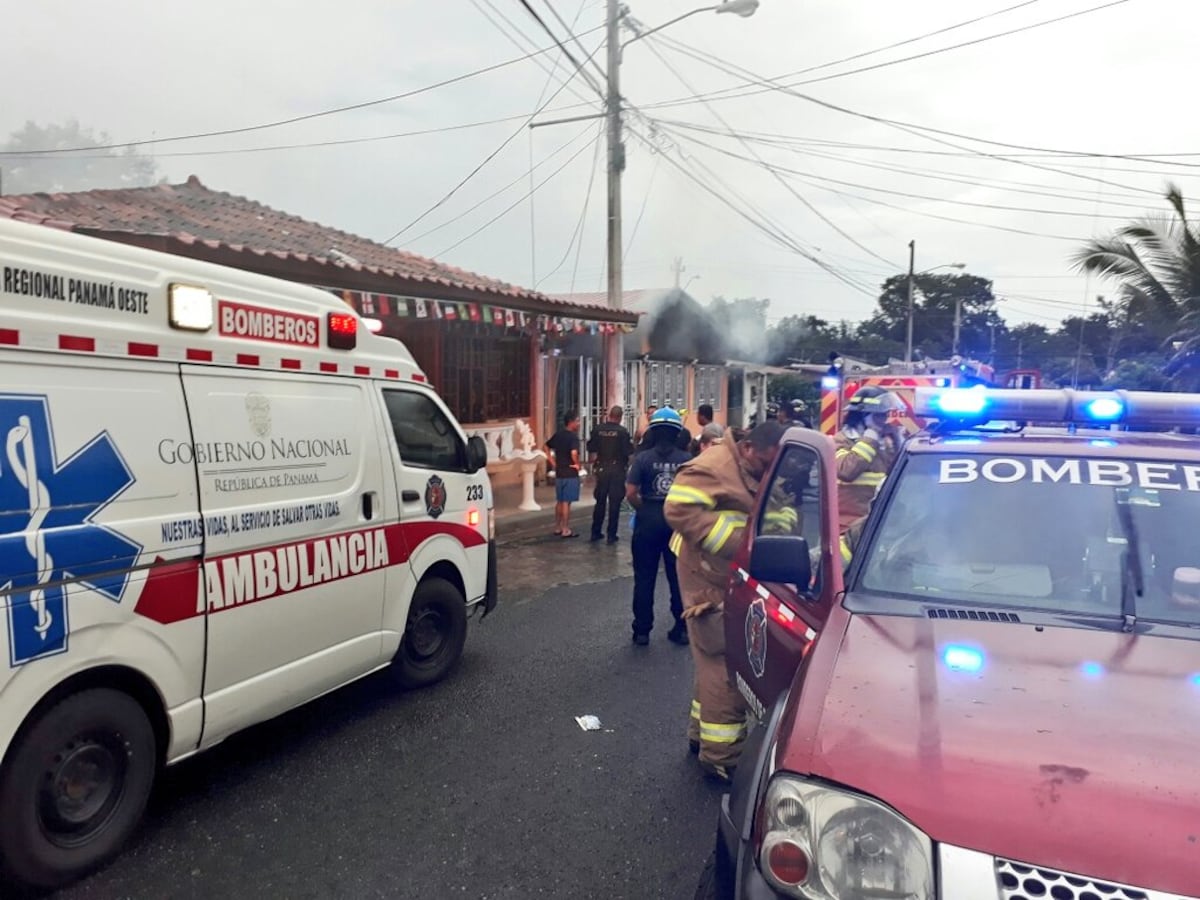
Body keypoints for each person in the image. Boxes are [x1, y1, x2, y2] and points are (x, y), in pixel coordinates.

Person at [665, 420, 787, 783]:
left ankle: (699, 735)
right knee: (725, 662)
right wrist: (741, 547)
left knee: (710, 659)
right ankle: (722, 756)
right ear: (748, 447)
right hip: (705, 575)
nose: (769, 471)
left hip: (727, 575)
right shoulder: (714, 465)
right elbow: (678, 510)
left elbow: (774, 510)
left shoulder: (757, 466)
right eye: (765, 463)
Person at [626, 408, 693, 647]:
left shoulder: (642, 459)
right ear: (677, 433)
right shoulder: (687, 460)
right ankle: (682, 628)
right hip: (676, 523)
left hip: (648, 521)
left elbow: (631, 492)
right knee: (678, 578)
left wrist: (644, 509)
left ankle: (642, 631)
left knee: (644, 577)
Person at [834, 386, 905, 533]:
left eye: (886, 414)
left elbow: (897, 473)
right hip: (848, 526)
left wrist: (898, 441)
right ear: (865, 416)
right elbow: (847, 471)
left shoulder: (882, 441)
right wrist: (871, 434)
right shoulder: (842, 440)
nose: (885, 419)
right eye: (880, 415)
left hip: (877, 522)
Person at [588, 405, 634, 543]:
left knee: (600, 501)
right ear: (620, 417)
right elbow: (628, 451)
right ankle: (611, 535)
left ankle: (595, 532)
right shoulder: (623, 432)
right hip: (617, 470)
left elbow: (591, 447)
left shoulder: (598, 429)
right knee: (615, 503)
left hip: (601, 468)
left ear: (609, 415)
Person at [545, 410, 582, 538]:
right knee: (566, 502)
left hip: (560, 472)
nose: (579, 423)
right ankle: (565, 528)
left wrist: (553, 462)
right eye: (577, 421)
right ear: (571, 422)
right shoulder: (573, 437)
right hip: (570, 473)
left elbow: (546, 447)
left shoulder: (558, 435)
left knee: (560, 501)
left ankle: (557, 527)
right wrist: (577, 464)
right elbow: (573, 453)